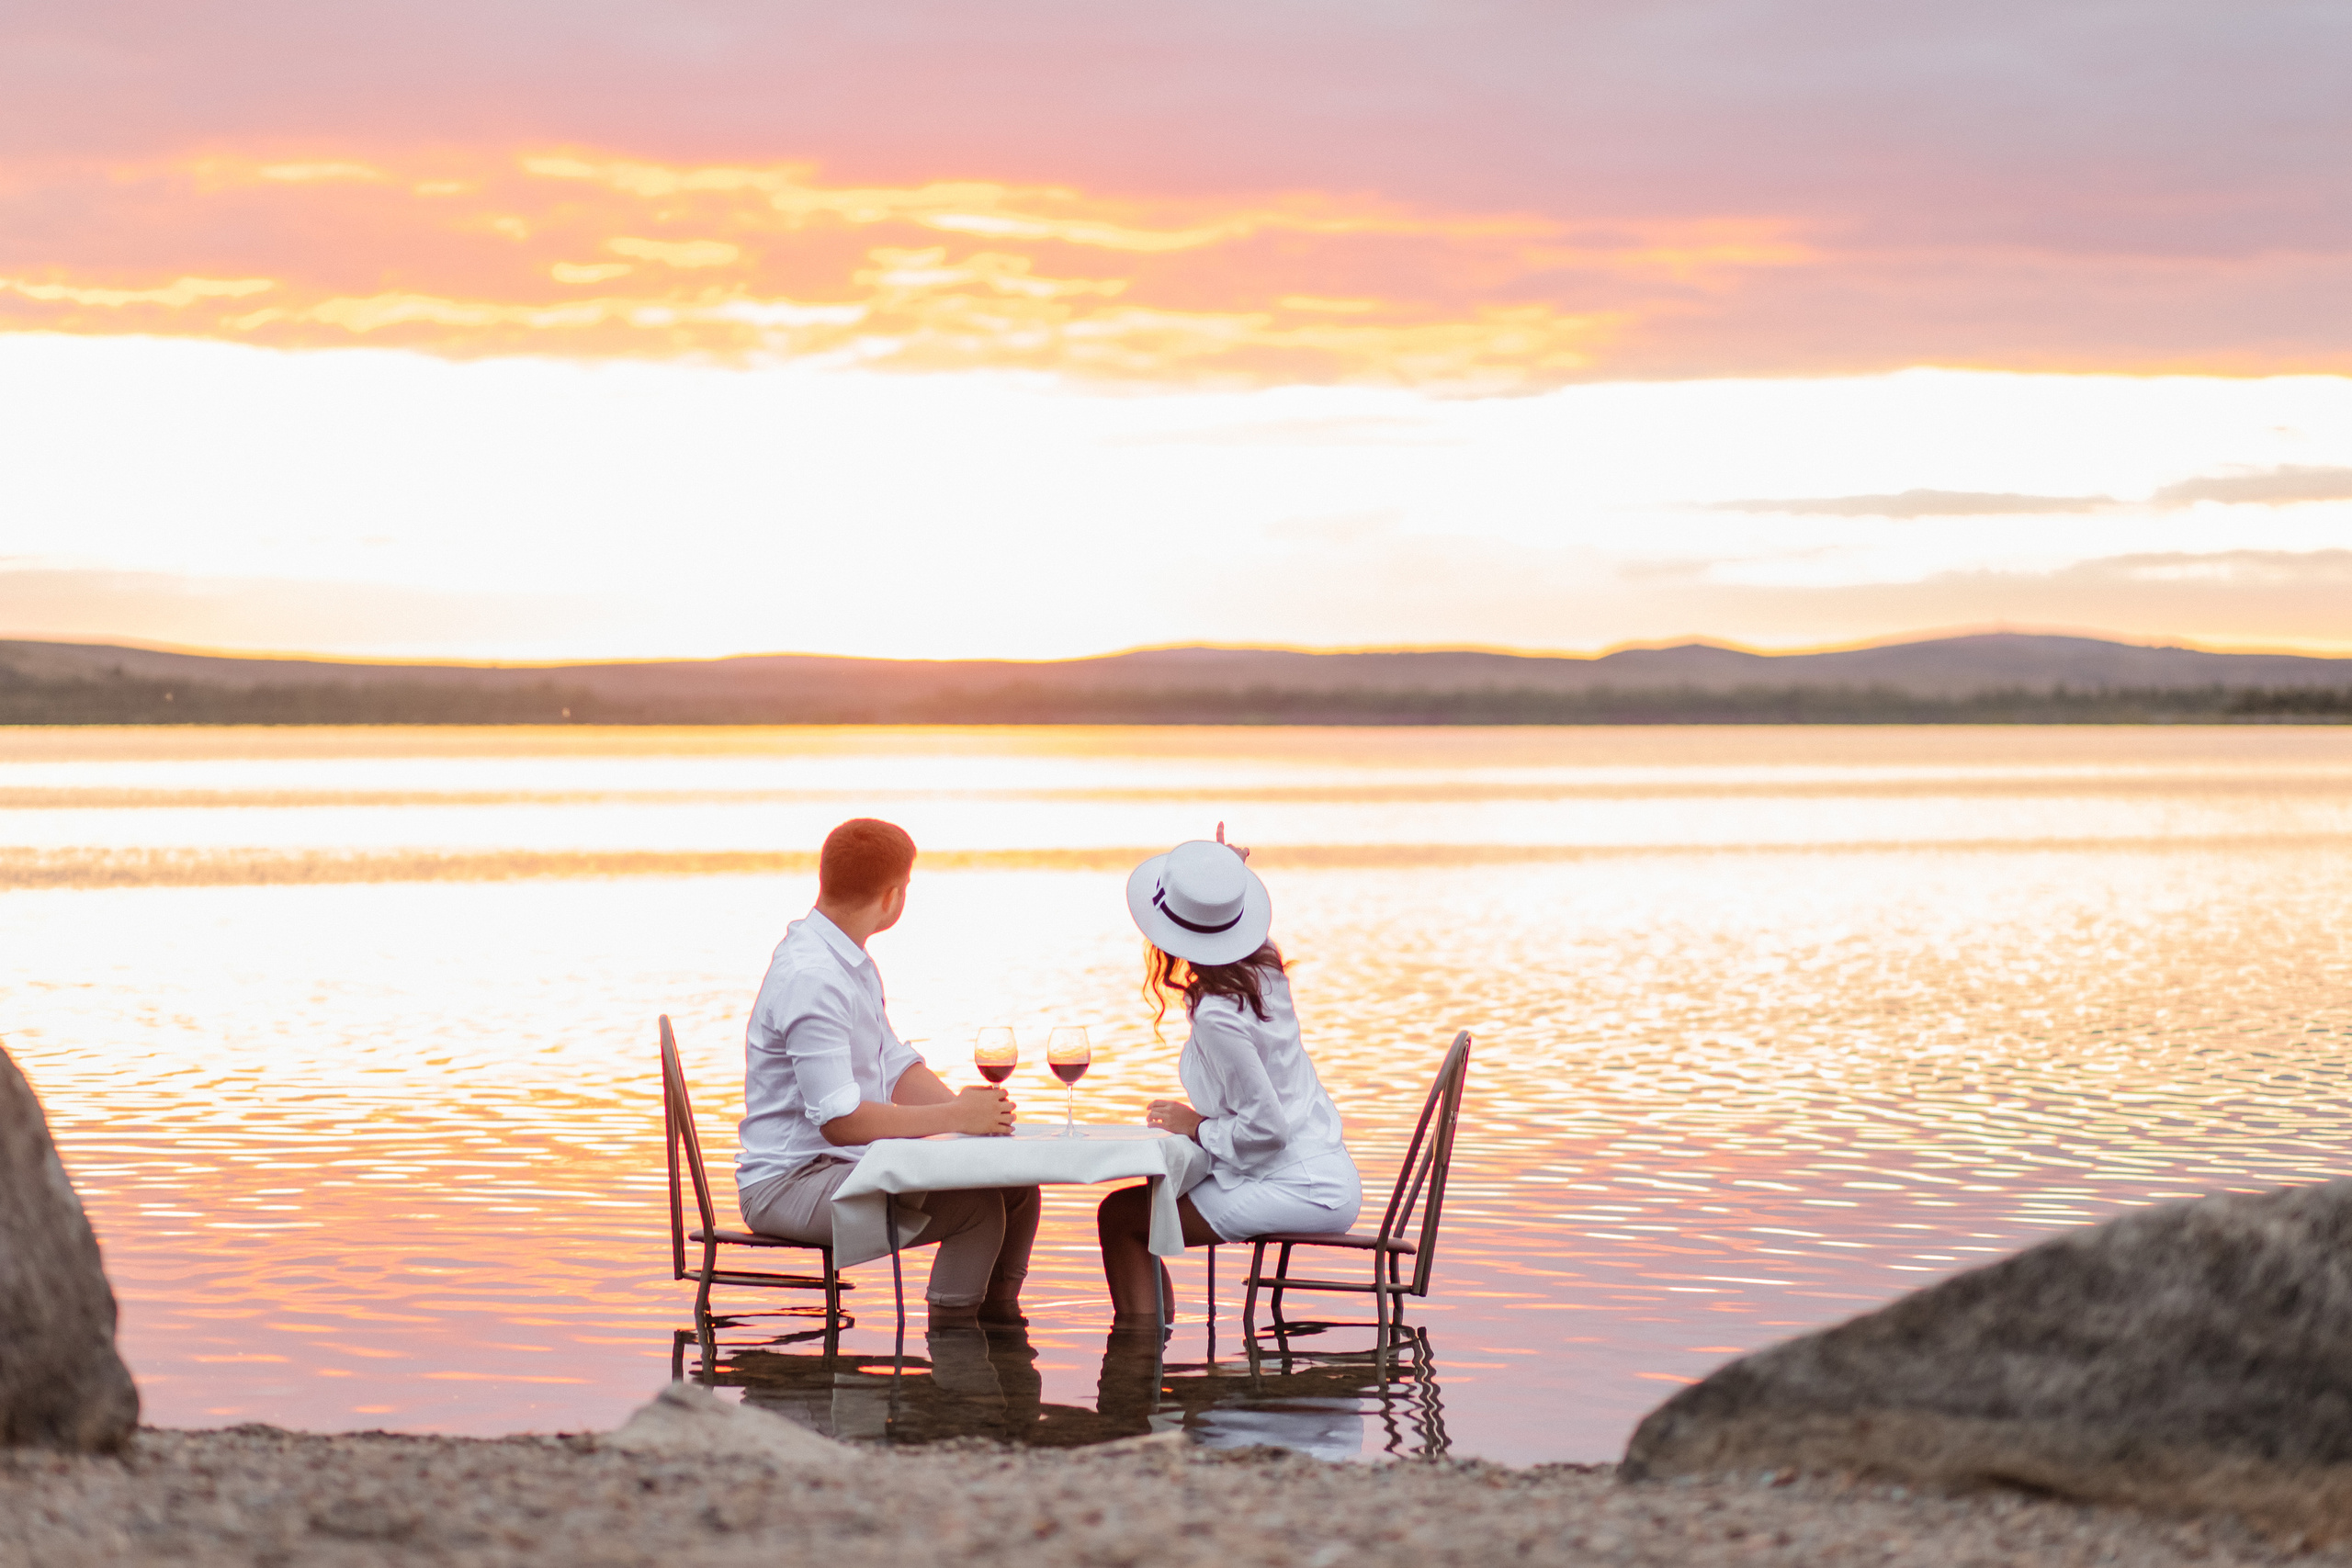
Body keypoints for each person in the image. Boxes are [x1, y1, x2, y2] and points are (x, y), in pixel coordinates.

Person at [736, 818, 1038, 1325]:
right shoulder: (812, 976)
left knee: (1016, 1187)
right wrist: (957, 1116)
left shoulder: (845, 960)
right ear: (893, 894)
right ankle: (955, 1353)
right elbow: (842, 1122)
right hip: (789, 1183)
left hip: (839, 1165)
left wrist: (977, 1124)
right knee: (976, 1209)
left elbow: (894, 1066)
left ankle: (1002, 1332)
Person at [1096, 825, 1360, 1322]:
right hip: (1317, 1170)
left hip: (1300, 1186)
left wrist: (1193, 1124)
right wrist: (1224, 871)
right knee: (1133, 1212)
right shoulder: (1264, 965)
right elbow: (1231, 922)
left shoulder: (1218, 1014)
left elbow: (1268, 1130)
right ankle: (1153, 1350)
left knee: (1122, 1218)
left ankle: (1142, 1356)